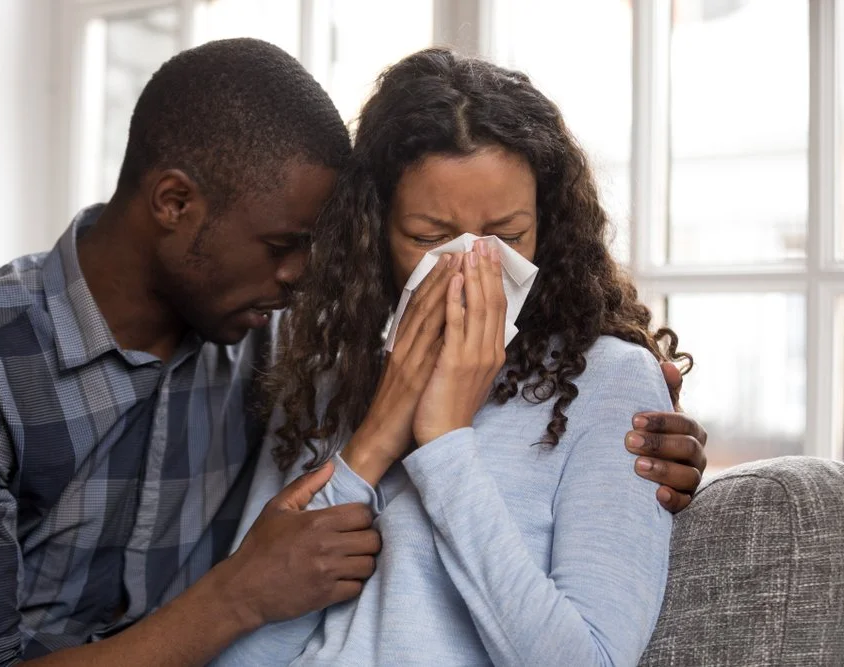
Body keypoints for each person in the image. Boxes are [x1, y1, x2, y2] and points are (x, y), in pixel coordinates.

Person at [0, 40, 705, 667]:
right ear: (174, 203)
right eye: (285, 245)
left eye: (508, 234)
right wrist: (244, 587)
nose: (302, 278)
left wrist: (651, 439)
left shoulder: (280, 334)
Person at [214, 48, 691, 666]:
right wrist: (374, 442)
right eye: (431, 238)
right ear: (372, 229)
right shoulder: (326, 377)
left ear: (549, 225)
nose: (472, 267)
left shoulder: (609, 382)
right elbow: (240, 652)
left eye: (509, 235)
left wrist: (443, 443)